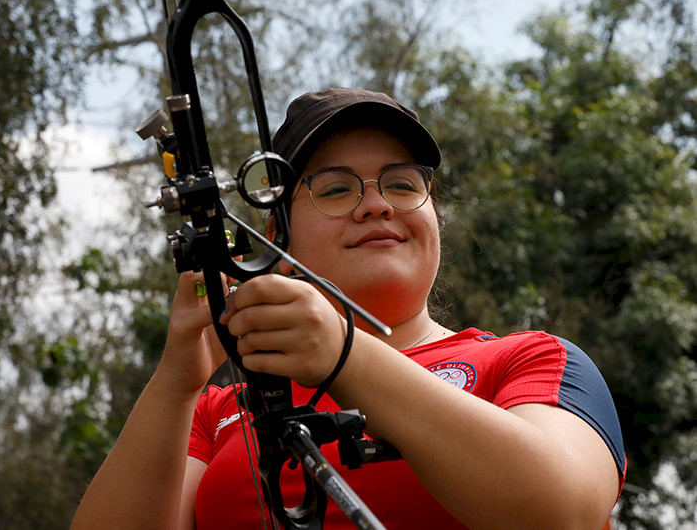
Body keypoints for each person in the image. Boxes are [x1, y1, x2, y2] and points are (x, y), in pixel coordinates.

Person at [71, 87, 626, 529]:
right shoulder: (216, 412)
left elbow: (565, 512)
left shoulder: (532, 361)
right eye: (336, 191)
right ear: (276, 236)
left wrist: (345, 354)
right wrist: (176, 381)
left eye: (403, 185)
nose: (377, 206)